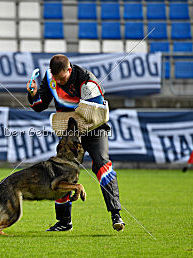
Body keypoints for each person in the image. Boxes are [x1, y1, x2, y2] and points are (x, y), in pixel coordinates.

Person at [26, 54, 125, 232]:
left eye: (62, 78)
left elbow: (97, 112)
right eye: (56, 78)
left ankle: (116, 214)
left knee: (103, 165)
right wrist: (33, 94)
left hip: (93, 127)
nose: (59, 82)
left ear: (69, 70)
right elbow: (39, 105)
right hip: (70, 129)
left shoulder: (87, 81)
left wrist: (79, 125)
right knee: (61, 171)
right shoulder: (50, 78)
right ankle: (64, 222)